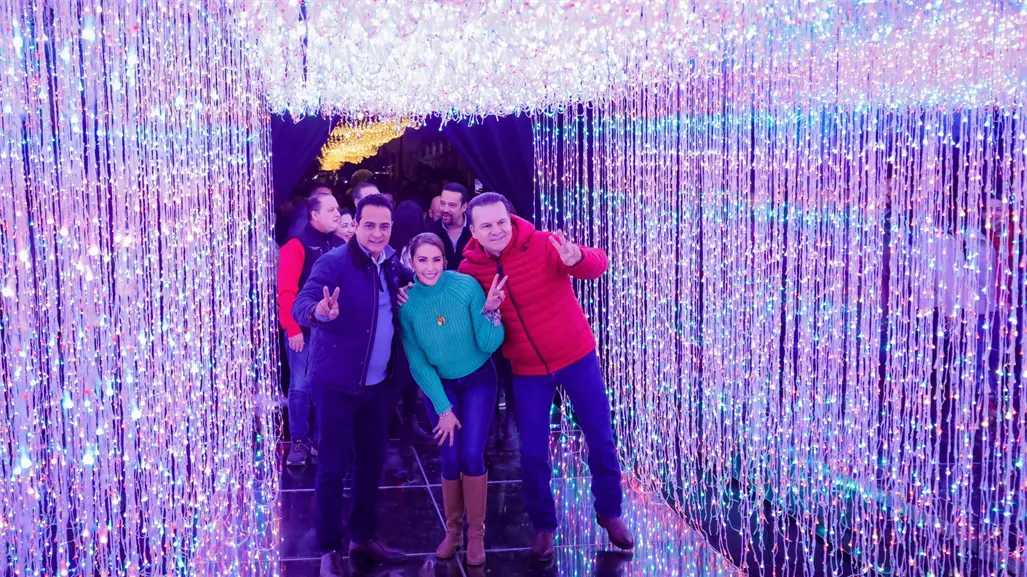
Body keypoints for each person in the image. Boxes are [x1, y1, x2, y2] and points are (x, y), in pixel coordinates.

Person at [457, 193, 635, 561]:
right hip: (526, 371)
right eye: (486, 225)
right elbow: (464, 321)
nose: (496, 230)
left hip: (576, 356)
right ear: (473, 230)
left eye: (501, 221)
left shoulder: (543, 243)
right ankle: (543, 527)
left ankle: (610, 512)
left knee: (601, 437)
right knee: (533, 452)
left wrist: (579, 258)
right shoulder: (470, 271)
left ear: (511, 218)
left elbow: (598, 264)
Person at [292, 194, 412, 574]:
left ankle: (362, 536)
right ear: (355, 225)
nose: (377, 233)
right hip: (337, 386)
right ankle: (329, 547)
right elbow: (302, 305)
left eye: (385, 225)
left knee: (371, 463)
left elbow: (412, 294)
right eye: (370, 225)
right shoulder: (335, 262)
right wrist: (319, 312)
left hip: (378, 387)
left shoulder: (393, 264)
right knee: (332, 465)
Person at [398, 233, 506, 566]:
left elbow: (490, 344)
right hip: (440, 388)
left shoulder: (466, 287)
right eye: (422, 260)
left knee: (472, 456)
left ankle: (476, 535)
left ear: (445, 261)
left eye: (436, 259)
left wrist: (490, 313)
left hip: (478, 380)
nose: (429, 267)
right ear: (411, 262)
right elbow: (417, 361)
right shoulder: (407, 303)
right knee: (449, 460)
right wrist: (442, 406)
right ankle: (453, 531)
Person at [277, 193, 343, 467]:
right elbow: (286, 290)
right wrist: (291, 328)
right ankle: (300, 440)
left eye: (338, 208)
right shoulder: (296, 245)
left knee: (327, 387)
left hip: (333, 331)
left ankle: (322, 439)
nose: (337, 214)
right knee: (300, 387)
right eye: (331, 210)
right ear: (314, 215)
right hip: (302, 331)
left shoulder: (340, 244)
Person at [388, 200, 435, 445]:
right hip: (415, 319)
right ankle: (408, 421)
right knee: (411, 372)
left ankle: (397, 423)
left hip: (394, 321)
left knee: (399, 375)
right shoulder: (420, 246)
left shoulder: (390, 250)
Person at [431, 183, 473, 270]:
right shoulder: (431, 232)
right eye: (442, 203)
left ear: (464, 207)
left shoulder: (475, 230)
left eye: (452, 205)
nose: (445, 209)